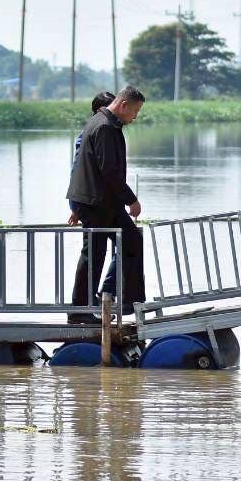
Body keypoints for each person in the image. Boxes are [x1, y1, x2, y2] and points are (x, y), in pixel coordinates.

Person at [66, 85, 147, 323]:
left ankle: (123, 298)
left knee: (132, 240)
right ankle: (79, 311)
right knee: (93, 254)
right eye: (135, 111)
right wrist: (131, 200)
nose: (136, 116)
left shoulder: (106, 123)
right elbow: (109, 171)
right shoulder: (103, 127)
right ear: (123, 105)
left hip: (105, 202)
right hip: (95, 202)